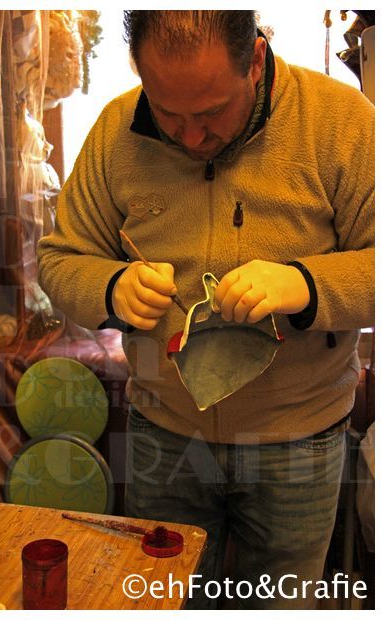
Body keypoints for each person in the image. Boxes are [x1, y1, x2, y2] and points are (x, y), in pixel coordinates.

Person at [37, 10, 374, 610]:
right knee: (163, 602)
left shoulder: (341, 121)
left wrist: (305, 285)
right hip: (164, 435)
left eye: (212, 112)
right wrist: (111, 288)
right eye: (168, 113)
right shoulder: (116, 130)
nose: (191, 139)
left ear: (255, 61)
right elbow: (60, 260)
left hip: (300, 438)